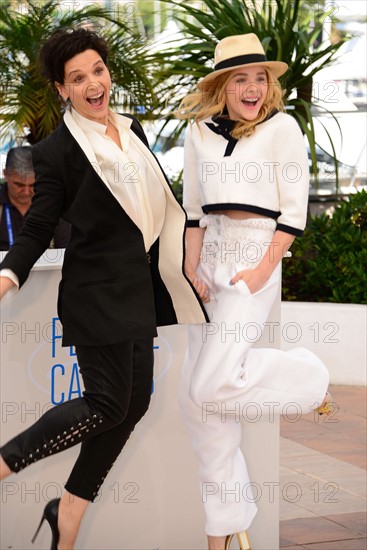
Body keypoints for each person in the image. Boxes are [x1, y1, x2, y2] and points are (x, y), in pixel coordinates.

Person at [0, 27, 207, 550]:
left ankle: (67, 509)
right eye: (78, 78)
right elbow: (39, 224)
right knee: (105, 403)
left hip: (138, 290)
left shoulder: (132, 128)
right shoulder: (56, 152)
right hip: (95, 295)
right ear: (61, 88)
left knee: (132, 404)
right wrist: (8, 274)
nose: (93, 84)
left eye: (97, 70)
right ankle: (5, 462)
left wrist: (187, 257)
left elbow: (154, 207)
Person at [176, 34, 333, 550]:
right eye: (240, 78)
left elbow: (293, 210)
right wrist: (190, 265)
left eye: (259, 77)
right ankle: (223, 529)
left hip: (255, 259)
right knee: (201, 407)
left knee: (209, 385)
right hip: (212, 261)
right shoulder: (198, 133)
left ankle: (310, 379)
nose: (252, 87)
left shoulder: (283, 129)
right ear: (222, 85)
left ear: (270, 84)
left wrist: (265, 269)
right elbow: (195, 210)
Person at [0, 146, 70, 250]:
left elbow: (66, 249)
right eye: (19, 185)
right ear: (6, 175)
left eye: (33, 185)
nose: (26, 192)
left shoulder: (53, 204)